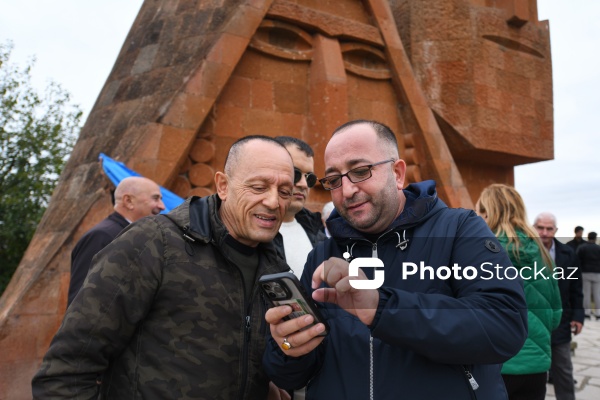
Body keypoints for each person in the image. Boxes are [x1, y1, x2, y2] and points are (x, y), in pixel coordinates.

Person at [263, 120, 528, 399]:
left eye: (361, 171)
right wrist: (287, 348)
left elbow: (505, 326)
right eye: (334, 180)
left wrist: (382, 307)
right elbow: (291, 375)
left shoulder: (459, 230)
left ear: (398, 173)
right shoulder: (322, 255)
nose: (348, 190)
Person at [32, 136, 296, 399]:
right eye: (259, 187)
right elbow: (67, 369)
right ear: (223, 186)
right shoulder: (152, 243)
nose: (274, 202)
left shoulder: (277, 268)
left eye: (285, 192)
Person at [476, 185, 562, 400]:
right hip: (536, 367)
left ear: (488, 212)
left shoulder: (479, 251)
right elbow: (556, 315)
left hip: (494, 366)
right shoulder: (542, 253)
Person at [67, 176, 166, 306]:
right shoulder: (102, 236)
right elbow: (82, 299)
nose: (162, 206)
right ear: (128, 201)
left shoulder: (133, 234)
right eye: (155, 198)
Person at [534, 212, 584, 400]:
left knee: (563, 371)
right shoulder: (524, 252)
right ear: (534, 228)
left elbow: (576, 288)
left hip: (560, 322)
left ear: (556, 230)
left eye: (549, 229)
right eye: (541, 228)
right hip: (533, 322)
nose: (545, 233)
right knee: (532, 375)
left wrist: (578, 317)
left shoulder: (568, 254)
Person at [272, 136, 325, 279]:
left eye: (309, 178)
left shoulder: (317, 231)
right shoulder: (248, 231)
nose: (303, 184)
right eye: (295, 174)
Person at [577, 231, 600, 319]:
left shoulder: (582, 248)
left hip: (585, 272)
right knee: (597, 294)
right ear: (595, 238)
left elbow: (577, 260)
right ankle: (598, 313)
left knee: (586, 294)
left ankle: (587, 312)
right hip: (597, 273)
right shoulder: (598, 248)